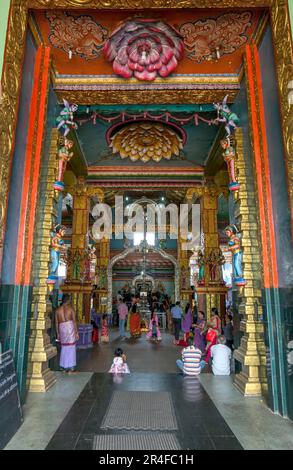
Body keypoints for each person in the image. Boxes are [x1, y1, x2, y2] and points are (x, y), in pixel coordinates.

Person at [55, 294, 79, 374]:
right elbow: (74, 321)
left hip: (62, 328)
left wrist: (57, 333)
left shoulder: (58, 310)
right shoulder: (71, 309)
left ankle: (63, 367)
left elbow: (56, 323)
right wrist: (76, 332)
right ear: (68, 300)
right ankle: (71, 368)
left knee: (64, 347)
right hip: (69, 328)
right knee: (71, 347)